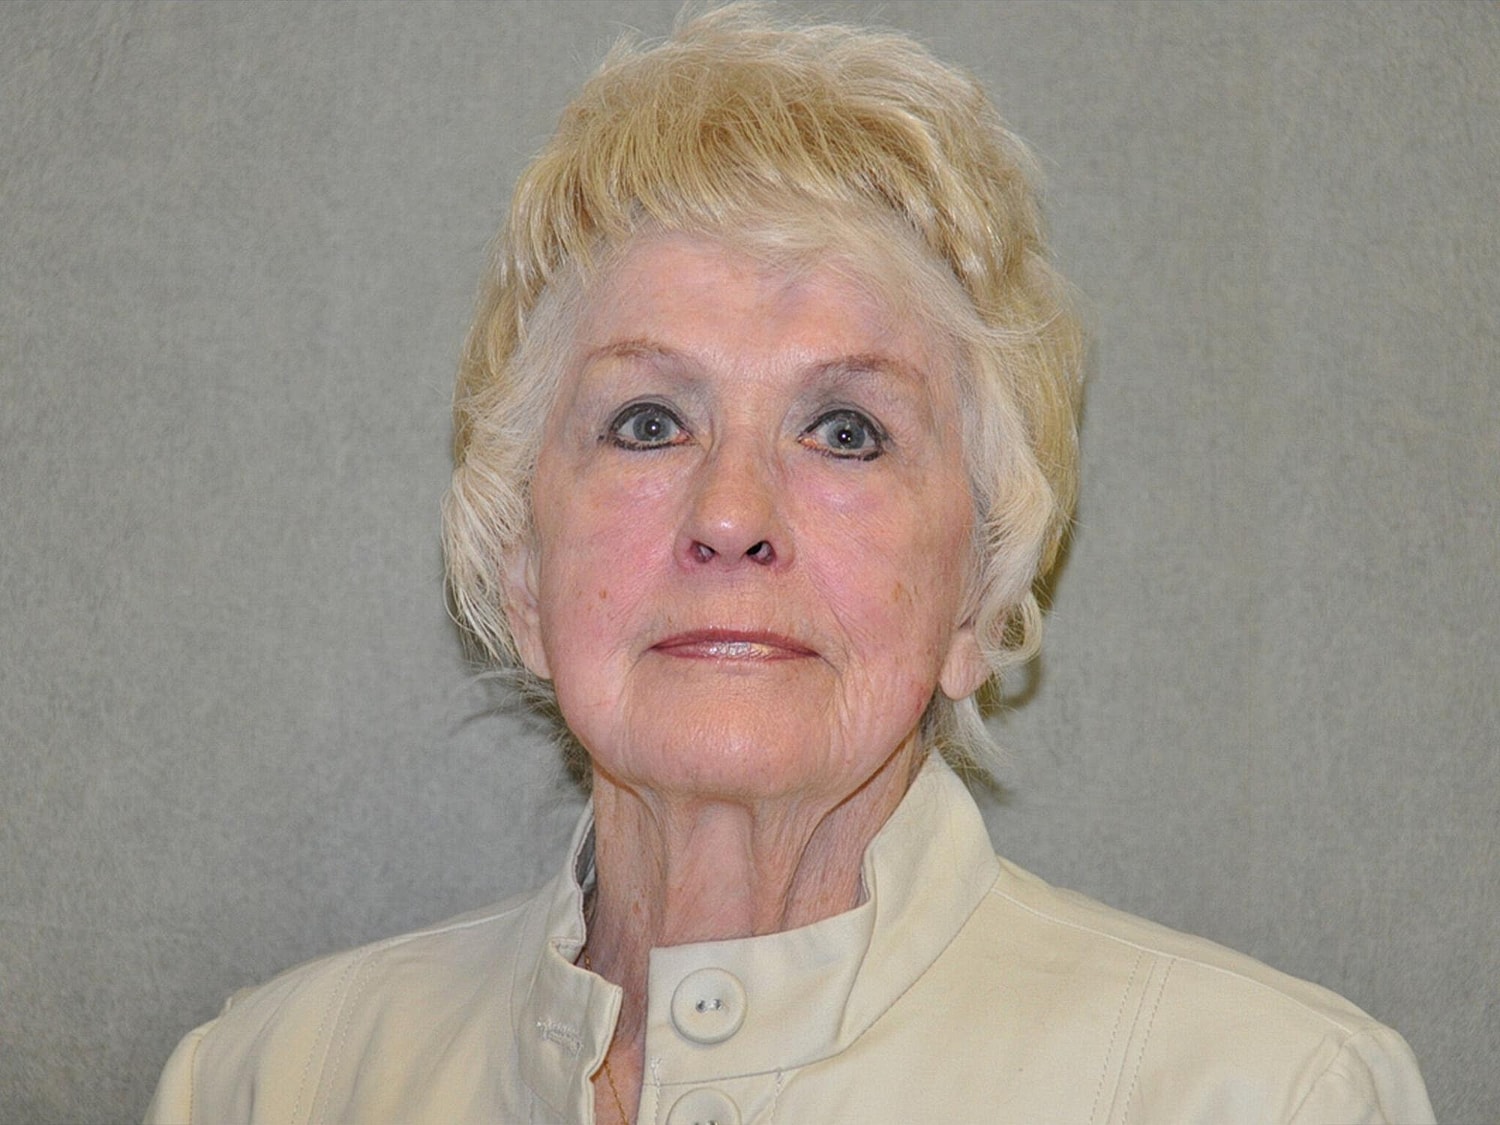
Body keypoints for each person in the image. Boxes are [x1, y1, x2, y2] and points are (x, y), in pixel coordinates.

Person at [146, 6, 1433, 1123]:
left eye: (846, 431)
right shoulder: (267, 1086)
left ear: (977, 593)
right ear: (519, 573)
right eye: (649, 421)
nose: (731, 514)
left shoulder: (1261, 1095)